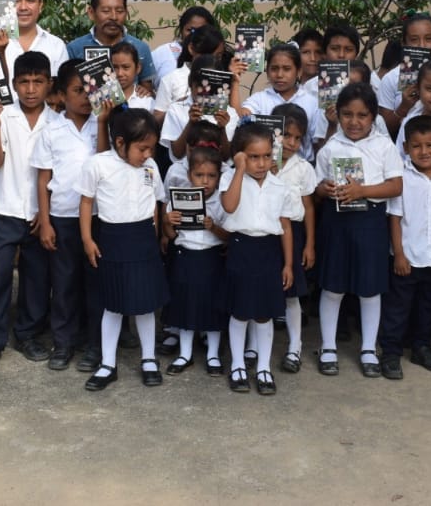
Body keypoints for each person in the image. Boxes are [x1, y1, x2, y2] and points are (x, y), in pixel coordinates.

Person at [313, 83, 404, 378]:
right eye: (347, 114)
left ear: (374, 116)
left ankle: (368, 348)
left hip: (370, 222)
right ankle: (328, 347)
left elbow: (395, 186)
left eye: (362, 115)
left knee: (370, 288)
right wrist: (325, 190)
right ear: (337, 115)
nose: (354, 121)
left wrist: (362, 190)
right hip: (337, 222)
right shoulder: (331, 147)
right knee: (333, 286)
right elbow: (317, 187)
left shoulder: (383, 146)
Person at [0, 51, 54, 373]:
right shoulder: (2, 116)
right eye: (24, 82)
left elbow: (55, 173)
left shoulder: (56, 122)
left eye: (38, 82)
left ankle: (28, 334)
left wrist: (45, 213)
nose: (31, 89)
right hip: (4, 209)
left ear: (49, 84)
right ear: (14, 84)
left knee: (37, 279)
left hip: (39, 214)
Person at [78, 108, 170, 391]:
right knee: (113, 304)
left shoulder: (151, 167)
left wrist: (155, 235)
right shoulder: (97, 165)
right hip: (112, 239)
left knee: (144, 305)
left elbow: (155, 203)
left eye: (151, 148)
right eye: (142, 148)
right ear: (120, 142)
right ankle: (108, 364)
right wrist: (87, 240)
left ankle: (149, 359)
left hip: (143, 239)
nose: (147, 154)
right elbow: (86, 202)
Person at [31, 60, 110, 371]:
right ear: (61, 95)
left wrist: (104, 123)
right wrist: (46, 222)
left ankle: (95, 345)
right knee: (63, 285)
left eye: (90, 89)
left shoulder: (101, 123)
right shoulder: (51, 131)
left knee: (96, 285)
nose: (86, 96)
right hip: (63, 217)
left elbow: (105, 162)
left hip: (97, 218)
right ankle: (63, 343)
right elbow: (42, 180)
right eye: (78, 90)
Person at [380, 115, 431, 380]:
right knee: (398, 306)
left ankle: (422, 347)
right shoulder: (401, 179)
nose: (424, 152)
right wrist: (399, 254)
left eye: (430, 145)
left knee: (429, 306)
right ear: (405, 148)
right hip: (408, 256)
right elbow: (394, 217)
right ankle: (391, 352)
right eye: (416, 146)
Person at [220, 123, 294, 395]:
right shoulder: (231, 178)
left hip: (269, 252)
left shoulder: (278, 185)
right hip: (241, 248)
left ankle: (264, 367)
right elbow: (229, 206)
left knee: (264, 314)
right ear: (239, 155)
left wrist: (287, 263)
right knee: (240, 312)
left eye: (266, 156)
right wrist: (239, 169)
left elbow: (284, 225)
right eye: (253, 156)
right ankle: (238, 364)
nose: (261, 163)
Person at [160, 146, 228, 376]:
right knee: (185, 306)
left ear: (219, 176)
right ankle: (185, 354)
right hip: (185, 256)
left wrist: (214, 227)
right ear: (190, 175)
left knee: (214, 307)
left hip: (212, 258)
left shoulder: (222, 201)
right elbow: (170, 236)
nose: (206, 181)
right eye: (200, 175)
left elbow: (230, 237)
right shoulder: (179, 197)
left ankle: (213, 355)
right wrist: (168, 221)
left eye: (211, 176)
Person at [271, 103, 318, 373]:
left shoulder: (303, 168)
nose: (291, 143)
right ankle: (254, 347)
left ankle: (295, 347)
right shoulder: (262, 161)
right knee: (264, 290)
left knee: (291, 295)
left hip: (295, 234)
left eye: (297, 138)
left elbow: (309, 207)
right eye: (285, 135)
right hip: (266, 232)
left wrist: (310, 244)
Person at [65, 0, 157, 88]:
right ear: (91, 13)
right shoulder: (74, 48)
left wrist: (144, 92)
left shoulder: (140, 48)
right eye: (106, 11)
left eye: (119, 11)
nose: (113, 17)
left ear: (126, 13)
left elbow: (147, 89)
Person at [241, 44, 321, 160]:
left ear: (298, 71)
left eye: (287, 69)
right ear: (267, 71)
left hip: (302, 169)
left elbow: (316, 142)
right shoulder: (259, 99)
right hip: (266, 167)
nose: (279, 75)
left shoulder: (312, 102)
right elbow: (243, 116)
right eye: (274, 69)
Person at [377, 12, 431, 137]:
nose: (422, 45)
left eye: (428, 39)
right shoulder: (391, 79)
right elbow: (383, 129)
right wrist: (404, 107)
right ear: (404, 43)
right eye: (414, 40)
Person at [151, 6, 215, 84]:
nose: (195, 35)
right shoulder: (162, 53)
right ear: (181, 29)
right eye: (190, 30)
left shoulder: (215, 56)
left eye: (201, 31)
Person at [110, 41, 153, 112]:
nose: (120, 73)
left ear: (138, 68)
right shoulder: (100, 100)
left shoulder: (148, 104)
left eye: (126, 67)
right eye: (115, 67)